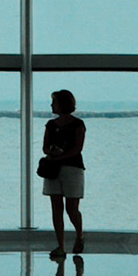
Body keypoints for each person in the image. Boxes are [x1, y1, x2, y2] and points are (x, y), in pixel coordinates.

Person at [39, 88, 85, 256]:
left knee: (71, 208)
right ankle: (61, 245)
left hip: (73, 169)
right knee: (56, 208)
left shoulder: (77, 124)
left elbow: (78, 148)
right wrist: (52, 151)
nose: (52, 105)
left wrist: (60, 156)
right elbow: (44, 146)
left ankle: (79, 234)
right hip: (53, 169)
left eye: (54, 102)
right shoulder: (51, 125)